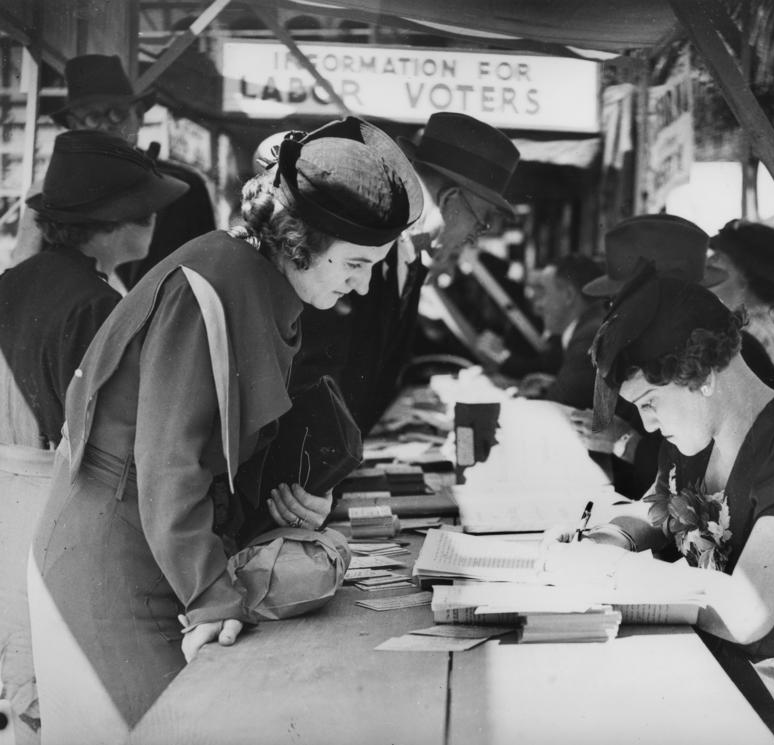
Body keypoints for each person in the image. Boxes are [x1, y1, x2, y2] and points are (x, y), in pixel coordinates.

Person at [27, 117, 422, 743]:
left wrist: (290, 499)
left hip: (167, 543)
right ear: (300, 239)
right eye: (354, 262)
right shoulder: (209, 286)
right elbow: (169, 460)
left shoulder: (259, 283)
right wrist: (211, 594)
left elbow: (231, 445)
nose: (363, 282)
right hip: (116, 554)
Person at [552, 274, 774, 744]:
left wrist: (617, 573)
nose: (647, 423)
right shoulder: (695, 442)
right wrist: (604, 540)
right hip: (737, 689)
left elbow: (747, 610)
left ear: (699, 375)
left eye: (650, 402)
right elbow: (653, 514)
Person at [0, 129, 187, 745]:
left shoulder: (14, 283)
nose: (155, 222)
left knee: (21, 700)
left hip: (6, 503)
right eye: (147, 210)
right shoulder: (96, 304)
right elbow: (117, 441)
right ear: (117, 220)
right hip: (56, 511)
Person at [286, 112, 520, 435]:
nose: (478, 234)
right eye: (482, 220)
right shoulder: (361, 243)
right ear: (451, 200)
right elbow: (312, 373)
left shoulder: (413, 258)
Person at [580, 214, 774, 500]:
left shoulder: (733, 353)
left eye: (624, 298)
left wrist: (625, 442)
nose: (617, 312)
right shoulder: (643, 353)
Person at [13, 54, 216, 287]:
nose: (107, 124)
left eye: (117, 112)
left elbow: (209, 272)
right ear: (74, 125)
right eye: (92, 117)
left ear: (139, 115)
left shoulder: (186, 187)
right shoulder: (47, 194)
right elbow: (24, 272)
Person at [514, 255, 604, 409]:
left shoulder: (588, 336)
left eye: (544, 293)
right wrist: (552, 385)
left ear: (568, 295)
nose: (539, 305)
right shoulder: (589, 327)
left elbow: (557, 407)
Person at [705, 219, 774, 373]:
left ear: (745, 273)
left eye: (719, 256)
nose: (708, 262)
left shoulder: (753, 335)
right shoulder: (738, 325)